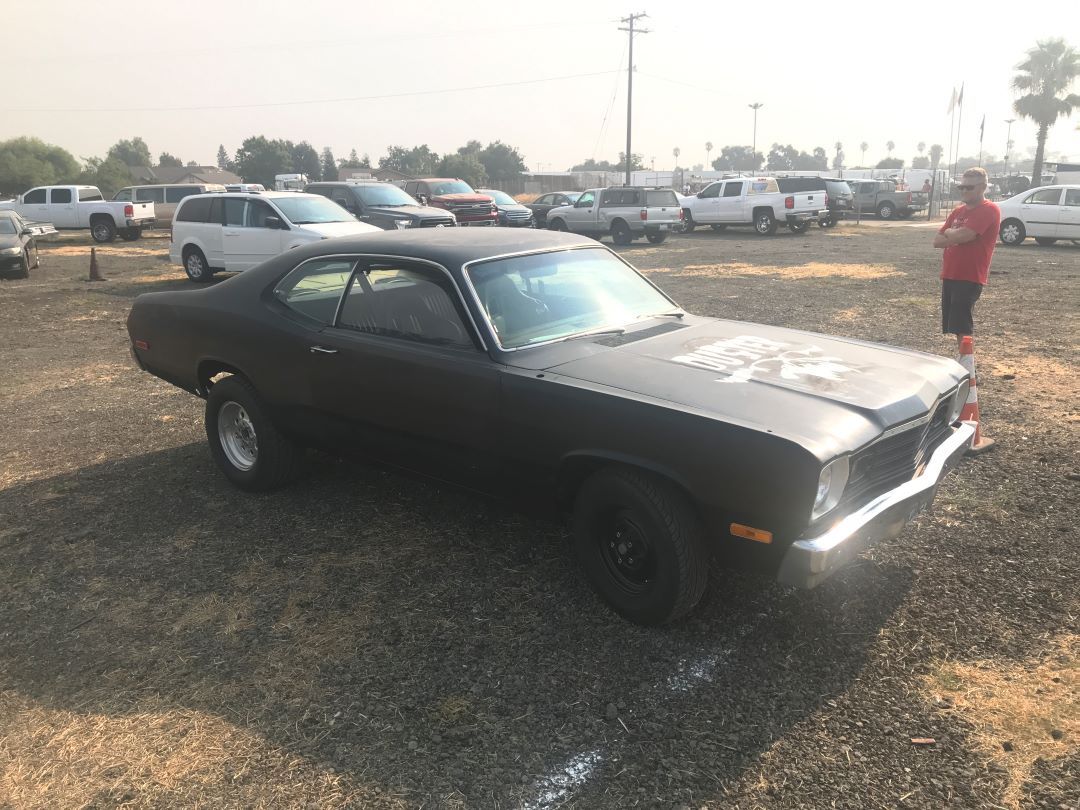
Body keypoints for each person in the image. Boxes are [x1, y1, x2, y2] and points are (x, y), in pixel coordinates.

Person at [932, 167, 1000, 354]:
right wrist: (954, 234)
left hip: (970, 275)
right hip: (951, 273)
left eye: (969, 188)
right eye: (961, 187)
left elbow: (967, 235)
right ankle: (965, 363)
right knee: (955, 325)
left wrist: (950, 233)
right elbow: (937, 241)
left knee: (963, 324)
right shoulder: (958, 211)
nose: (963, 191)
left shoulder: (989, 210)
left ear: (983, 187)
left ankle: (970, 370)